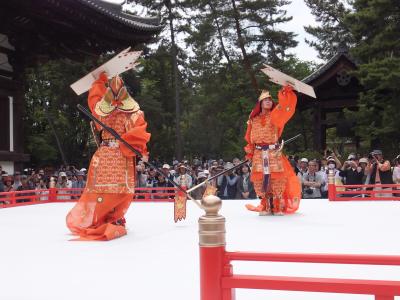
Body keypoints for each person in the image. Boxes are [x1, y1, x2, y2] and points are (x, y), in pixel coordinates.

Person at [66, 72, 151, 241]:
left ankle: (111, 217)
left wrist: (99, 82)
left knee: (116, 188)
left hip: (110, 154)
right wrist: (137, 148)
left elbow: (94, 98)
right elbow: (139, 132)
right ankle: (108, 218)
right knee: (109, 188)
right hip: (117, 154)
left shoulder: (105, 111)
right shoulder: (130, 113)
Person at [244, 86, 301, 215]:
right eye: (266, 100)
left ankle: (278, 206)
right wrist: (250, 152)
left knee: (277, 179)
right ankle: (266, 206)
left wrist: (286, 94)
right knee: (260, 179)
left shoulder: (276, 115)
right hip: (259, 152)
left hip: (273, 151)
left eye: (270, 100)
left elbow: (286, 109)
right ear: (261, 103)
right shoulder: (253, 119)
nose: (269, 101)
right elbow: (249, 137)